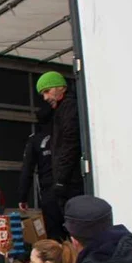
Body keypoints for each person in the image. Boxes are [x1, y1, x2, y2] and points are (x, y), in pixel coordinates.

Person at [36, 72, 84, 213]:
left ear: (61, 88)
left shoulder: (69, 107)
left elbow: (70, 143)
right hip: (68, 177)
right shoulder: (61, 109)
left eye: (47, 91)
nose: (45, 98)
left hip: (71, 179)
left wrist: (61, 180)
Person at [19, 102, 65, 241]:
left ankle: (59, 260)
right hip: (69, 188)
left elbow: (27, 169)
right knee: (74, 229)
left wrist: (22, 197)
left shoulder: (35, 140)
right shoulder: (66, 133)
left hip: (49, 191)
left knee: (54, 233)